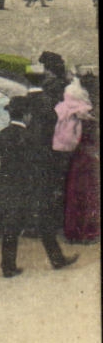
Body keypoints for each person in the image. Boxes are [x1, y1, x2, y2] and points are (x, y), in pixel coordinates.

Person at [0, 97, 79, 277]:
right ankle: (57, 259)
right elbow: (38, 165)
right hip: (32, 187)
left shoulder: (2, 135)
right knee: (45, 224)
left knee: (11, 227)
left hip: (11, 186)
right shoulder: (31, 136)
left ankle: (8, 266)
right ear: (27, 115)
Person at [58, 77, 100, 244]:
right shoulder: (89, 119)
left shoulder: (72, 115)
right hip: (89, 159)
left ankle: (74, 232)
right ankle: (87, 232)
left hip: (77, 159)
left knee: (75, 194)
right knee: (88, 195)